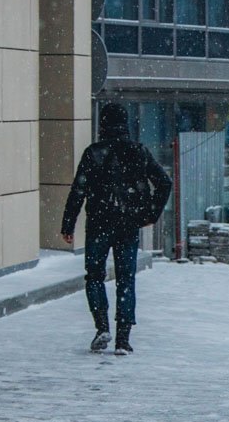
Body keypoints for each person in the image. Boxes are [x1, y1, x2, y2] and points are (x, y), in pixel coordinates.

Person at [61, 102, 173, 355]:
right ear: (126, 125)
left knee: (94, 276)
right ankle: (123, 338)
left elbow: (78, 190)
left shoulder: (93, 153)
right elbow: (164, 183)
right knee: (126, 279)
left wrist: (68, 223)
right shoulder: (138, 151)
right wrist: (150, 214)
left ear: (103, 125)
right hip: (128, 224)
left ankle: (102, 327)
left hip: (99, 223)